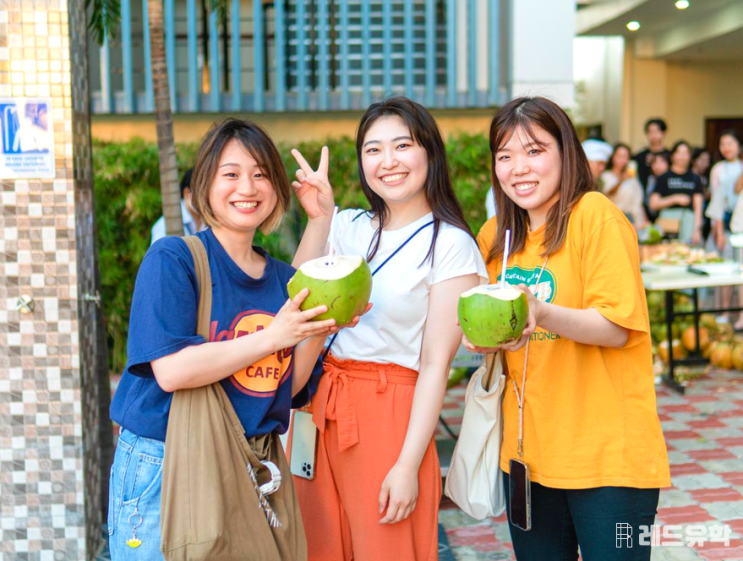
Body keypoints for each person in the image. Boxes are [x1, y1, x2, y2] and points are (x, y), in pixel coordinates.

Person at [107, 119, 360, 559]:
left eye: (261, 173)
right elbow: (172, 371)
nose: (248, 186)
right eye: (231, 173)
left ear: (276, 188)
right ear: (204, 186)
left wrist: (317, 329)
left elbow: (287, 387)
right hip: (166, 461)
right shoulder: (173, 259)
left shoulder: (280, 279)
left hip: (247, 464)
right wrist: (273, 336)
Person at [466, 96, 670, 561]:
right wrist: (475, 337)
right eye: (505, 155)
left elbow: (616, 326)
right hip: (526, 457)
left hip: (609, 461)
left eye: (534, 150)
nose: (518, 168)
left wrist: (540, 311)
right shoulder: (495, 237)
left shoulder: (595, 215)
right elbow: (477, 327)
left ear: (566, 152)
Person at [288, 97, 488, 561]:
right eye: (373, 149)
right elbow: (293, 299)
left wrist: (408, 465)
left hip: (391, 412)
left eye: (402, 145)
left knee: (386, 548)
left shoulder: (451, 244)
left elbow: (435, 365)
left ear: (429, 153)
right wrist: (319, 219)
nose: (388, 161)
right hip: (321, 405)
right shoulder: (347, 225)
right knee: (318, 546)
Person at [705, 131, 743, 327]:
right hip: (728, 225)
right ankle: (725, 311)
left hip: (740, 223)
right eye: (723, 144)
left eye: (730, 143)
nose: (726, 148)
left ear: (738, 145)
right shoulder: (718, 169)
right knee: (727, 270)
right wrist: (718, 231)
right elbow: (717, 200)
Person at [649, 140, 704, 244]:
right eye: (679, 153)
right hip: (667, 224)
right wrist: (675, 199)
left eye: (685, 153)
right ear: (672, 156)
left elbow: (698, 207)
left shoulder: (695, 178)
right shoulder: (664, 177)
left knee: (687, 250)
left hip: (688, 221)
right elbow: (653, 204)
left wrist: (697, 229)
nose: (682, 157)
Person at [150, 168, 206, 244]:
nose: (207, 198)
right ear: (187, 193)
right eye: (202, 194)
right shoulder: (164, 225)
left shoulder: (208, 220)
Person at [600, 142, 646, 227]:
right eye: (619, 156)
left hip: (635, 220)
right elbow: (608, 193)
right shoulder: (606, 176)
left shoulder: (633, 178)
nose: (622, 160)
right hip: (617, 219)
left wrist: (644, 220)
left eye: (625, 157)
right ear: (613, 157)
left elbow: (638, 201)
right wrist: (622, 180)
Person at [633, 118, 671, 195]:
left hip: (666, 194)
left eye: (657, 131)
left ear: (663, 133)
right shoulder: (639, 156)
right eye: (650, 132)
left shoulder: (670, 156)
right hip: (642, 194)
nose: (654, 135)